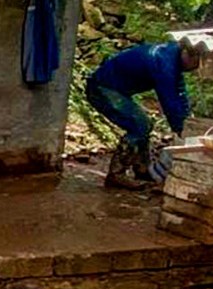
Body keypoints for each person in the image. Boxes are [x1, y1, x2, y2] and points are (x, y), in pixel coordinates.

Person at [85, 41, 200, 190]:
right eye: (195, 64)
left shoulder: (171, 56)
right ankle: (116, 174)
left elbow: (179, 92)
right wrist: (180, 129)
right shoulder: (164, 62)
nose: (193, 69)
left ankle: (142, 168)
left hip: (114, 88)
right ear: (189, 55)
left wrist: (187, 119)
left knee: (143, 125)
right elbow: (169, 100)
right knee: (139, 125)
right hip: (101, 87)